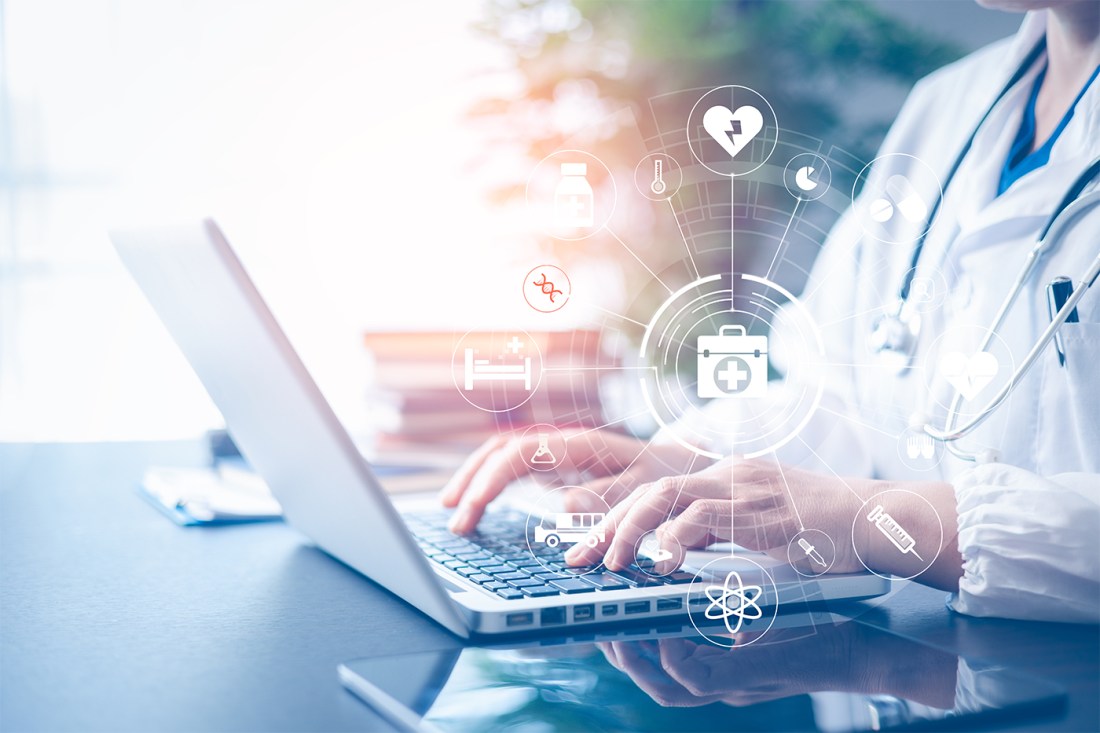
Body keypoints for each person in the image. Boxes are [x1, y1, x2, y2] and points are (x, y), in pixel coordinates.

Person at [442, 1, 1100, 623]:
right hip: (907, 653)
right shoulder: (951, 104)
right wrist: (685, 461)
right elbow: (839, 386)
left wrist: (874, 517)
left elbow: (861, 503)